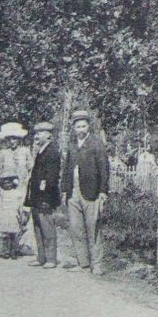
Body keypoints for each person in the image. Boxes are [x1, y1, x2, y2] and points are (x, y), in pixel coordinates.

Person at [61, 109, 110, 273]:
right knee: (76, 228)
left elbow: (104, 169)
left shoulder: (96, 144)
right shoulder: (72, 145)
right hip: (73, 192)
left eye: (83, 126)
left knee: (93, 229)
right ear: (73, 129)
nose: (81, 130)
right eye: (78, 127)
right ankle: (83, 263)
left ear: (88, 127)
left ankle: (96, 264)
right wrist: (64, 190)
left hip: (91, 192)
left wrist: (103, 191)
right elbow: (66, 168)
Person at [0, 122, 32, 260]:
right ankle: (6, 247)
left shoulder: (25, 151)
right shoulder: (4, 153)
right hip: (8, 190)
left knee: (22, 216)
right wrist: (1, 179)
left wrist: (28, 180)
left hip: (22, 188)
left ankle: (19, 245)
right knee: (8, 217)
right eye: (9, 139)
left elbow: (31, 168)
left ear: (19, 139)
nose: (12, 141)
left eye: (15, 138)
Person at [24, 121, 62, 269]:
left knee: (47, 228)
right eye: (36, 133)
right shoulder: (40, 151)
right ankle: (41, 257)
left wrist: (45, 196)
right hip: (36, 196)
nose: (37, 136)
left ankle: (51, 259)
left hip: (46, 197)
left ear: (48, 135)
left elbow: (51, 178)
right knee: (38, 228)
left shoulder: (52, 152)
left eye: (40, 133)